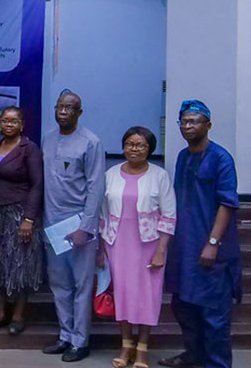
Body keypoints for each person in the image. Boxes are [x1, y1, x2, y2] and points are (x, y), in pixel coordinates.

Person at [159, 101, 240, 368]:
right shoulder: (183, 157)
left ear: (208, 125)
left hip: (212, 247)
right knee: (183, 306)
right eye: (183, 121)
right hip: (185, 247)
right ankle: (193, 355)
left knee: (213, 313)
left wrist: (213, 242)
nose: (187, 126)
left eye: (194, 121)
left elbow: (227, 203)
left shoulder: (221, 158)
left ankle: (217, 363)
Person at [99, 126, 175, 368]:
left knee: (147, 296)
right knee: (122, 294)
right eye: (130, 144)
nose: (134, 149)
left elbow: (169, 215)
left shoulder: (159, 176)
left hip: (149, 244)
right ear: (123, 147)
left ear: (149, 149)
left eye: (141, 145)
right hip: (116, 242)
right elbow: (102, 214)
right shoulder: (110, 174)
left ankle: (142, 348)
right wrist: (101, 249)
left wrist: (161, 250)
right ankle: (126, 345)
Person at [40, 91, 105, 362]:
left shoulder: (91, 142)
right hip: (52, 225)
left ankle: (80, 341)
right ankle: (65, 335)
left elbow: (96, 187)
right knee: (59, 285)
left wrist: (86, 228)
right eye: (60, 107)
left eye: (70, 108)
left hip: (79, 226)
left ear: (79, 113)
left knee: (81, 285)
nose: (63, 112)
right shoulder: (47, 138)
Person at [0, 106, 43, 336]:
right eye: (5, 120)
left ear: (22, 124)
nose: (9, 124)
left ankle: (18, 316)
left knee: (20, 265)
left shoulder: (29, 149)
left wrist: (29, 219)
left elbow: (37, 185)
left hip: (19, 214)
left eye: (14, 121)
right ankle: (1, 314)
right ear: (0, 123)